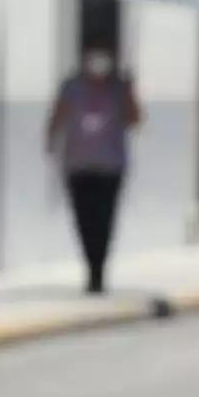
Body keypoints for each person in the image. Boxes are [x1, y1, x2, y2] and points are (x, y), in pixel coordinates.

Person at [45, 44, 141, 294]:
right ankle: (91, 265)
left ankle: (98, 272)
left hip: (110, 168)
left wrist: (131, 91)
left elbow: (135, 121)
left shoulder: (119, 89)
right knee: (84, 221)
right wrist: (50, 140)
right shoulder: (72, 87)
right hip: (78, 167)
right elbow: (58, 115)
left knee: (104, 221)